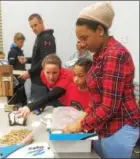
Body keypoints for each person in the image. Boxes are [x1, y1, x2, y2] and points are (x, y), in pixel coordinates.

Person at [63, 2, 140, 159]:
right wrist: (85, 115)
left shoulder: (114, 55)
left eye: (84, 38)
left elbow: (109, 106)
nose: (82, 44)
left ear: (100, 30)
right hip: (104, 127)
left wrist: (80, 125)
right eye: (79, 39)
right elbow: (97, 96)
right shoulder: (99, 54)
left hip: (120, 127)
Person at [19, 13, 56, 101]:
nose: (34, 29)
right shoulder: (40, 37)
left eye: (35, 25)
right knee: (35, 106)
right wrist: (27, 60)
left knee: (37, 108)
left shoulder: (46, 38)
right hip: (37, 80)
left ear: (42, 22)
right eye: (31, 27)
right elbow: (39, 58)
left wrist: (30, 72)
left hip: (42, 81)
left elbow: (45, 60)